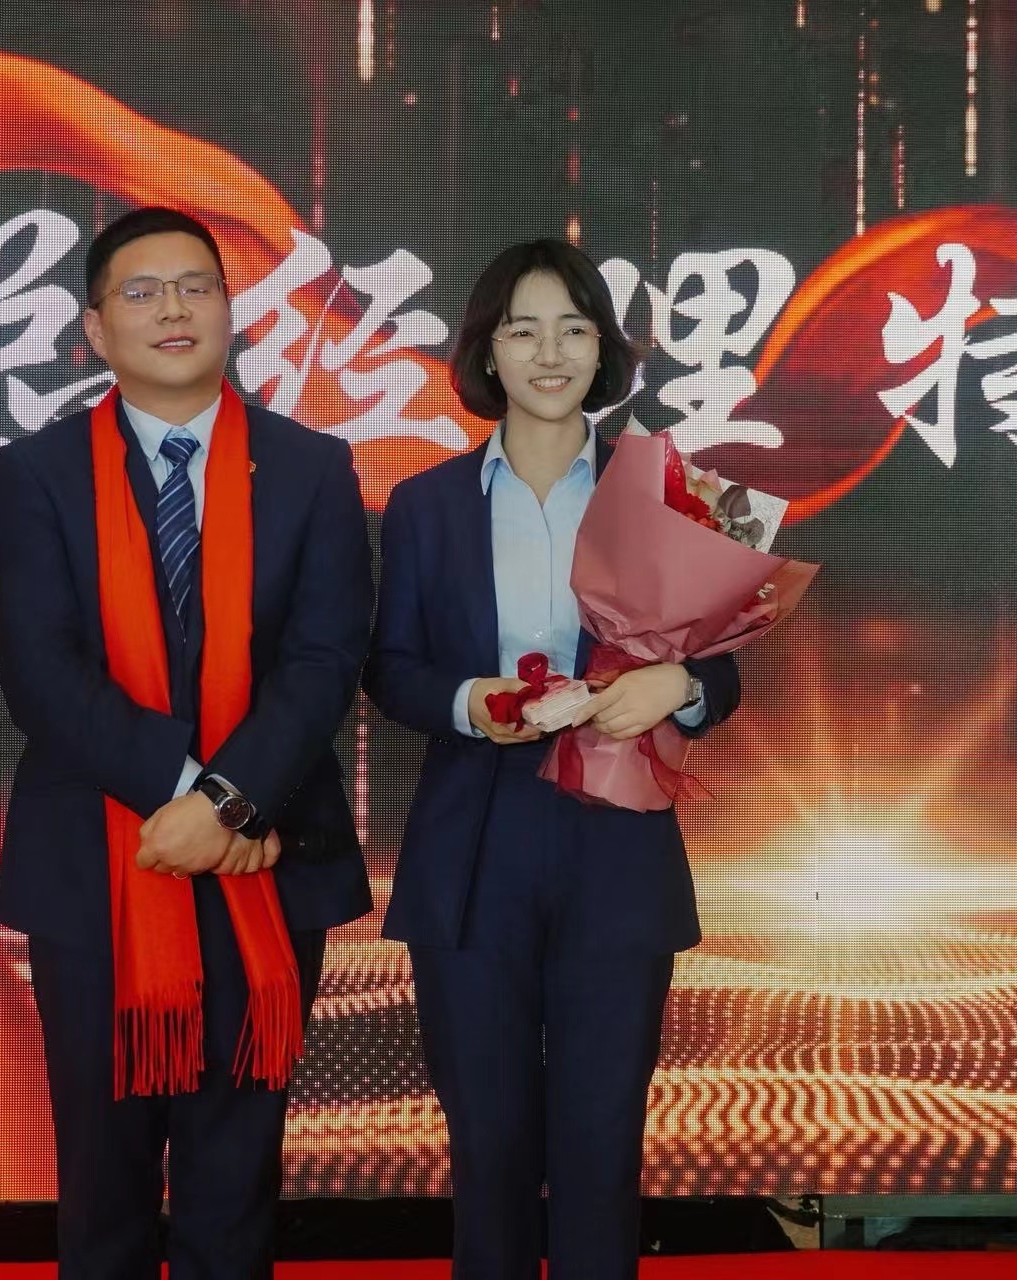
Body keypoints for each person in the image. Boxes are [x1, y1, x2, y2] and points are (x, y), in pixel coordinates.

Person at [0, 206, 374, 1280]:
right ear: (95, 327)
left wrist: (233, 803)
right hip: (97, 866)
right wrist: (195, 796)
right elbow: (41, 672)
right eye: (142, 290)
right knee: (103, 1187)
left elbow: (325, 659)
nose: (174, 308)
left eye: (196, 286)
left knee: (234, 1183)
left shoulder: (311, 467)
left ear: (229, 311)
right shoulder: (37, 471)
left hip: (265, 861)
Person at [363, 238, 742, 1279]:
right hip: (472, 839)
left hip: (617, 839)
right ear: (487, 350)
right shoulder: (427, 503)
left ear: (602, 349)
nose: (549, 352)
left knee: (600, 1144)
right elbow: (390, 669)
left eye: (573, 328)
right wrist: (469, 702)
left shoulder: (660, 490)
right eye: (522, 329)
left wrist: (681, 686)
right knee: (487, 1147)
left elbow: (722, 667)